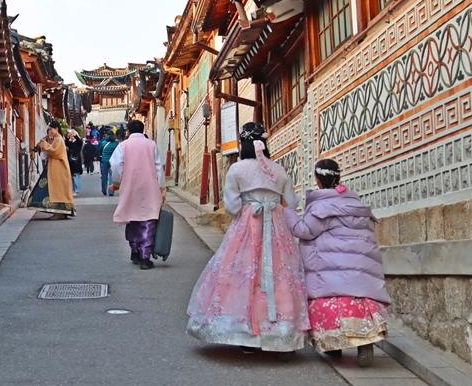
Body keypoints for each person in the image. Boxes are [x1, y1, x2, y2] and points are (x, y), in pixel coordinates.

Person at [186, 122, 309, 357]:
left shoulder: (237, 170)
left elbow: (232, 207)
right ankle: (282, 332)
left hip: (247, 227)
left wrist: (249, 203)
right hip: (276, 228)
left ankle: (244, 333)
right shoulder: (279, 170)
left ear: (243, 144)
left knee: (243, 272)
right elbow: (292, 204)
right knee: (279, 275)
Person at [286, 159, 389, 367]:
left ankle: (333, 345)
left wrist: (286, 211)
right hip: (360, 272)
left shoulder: (321, 207)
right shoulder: (356, 205)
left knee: (330, 305)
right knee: (360, 304)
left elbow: (304, 231)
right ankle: (364, 343)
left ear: (318, 180)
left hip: (330, 272)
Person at [110, 120, 165, 270]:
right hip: (150, 186)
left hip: (130, 185)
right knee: (148, 219)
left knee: (132, 217)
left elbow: (115, 165)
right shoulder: (152, 145)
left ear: (128, 131)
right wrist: (161, 187)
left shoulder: (123, 146)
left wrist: (118, 181)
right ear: (142, 130)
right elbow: (158, 167)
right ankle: (145, 256)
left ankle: (134, 250)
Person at [27, 121, 75, 218]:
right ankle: (60, 212)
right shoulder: (55, 139)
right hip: (55, 168)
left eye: (51, 129)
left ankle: (59, 212)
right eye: (49, 130)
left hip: (59, 169)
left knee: (57, 190)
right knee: (54, 189)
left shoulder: (59, 139)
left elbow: (54, 151)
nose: (50, 131)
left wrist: (44, 144)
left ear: (56, 128)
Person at [98, 130, 119, 196]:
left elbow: (99, 150)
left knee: (104, 176)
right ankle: (111, 191)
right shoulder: (116, 143)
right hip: (113, 161)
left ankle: (104, 190)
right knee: (111, 176)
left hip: (104, 161)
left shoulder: (103, 142)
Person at [65, 128, 84, 194]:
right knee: (73, 177)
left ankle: (77, 190)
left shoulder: (78, 143)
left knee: (76, 176)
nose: (71, 136)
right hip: (71, 161)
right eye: (71, 135)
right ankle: (74, 189)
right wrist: (68, 136)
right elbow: (66, 143)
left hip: (76, 161)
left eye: (72, 135)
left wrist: (75, 134)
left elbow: (80, 141)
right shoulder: (70, 143)